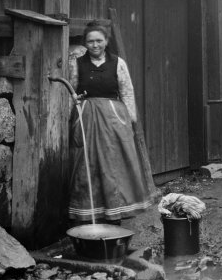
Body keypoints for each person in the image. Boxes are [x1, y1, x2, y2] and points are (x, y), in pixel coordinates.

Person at [67, 22, 158, 223]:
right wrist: (73, 115)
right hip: (87, 117)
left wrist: (130, 120)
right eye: (90, 41)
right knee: (87, 163)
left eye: (99, 40)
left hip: (114, 118)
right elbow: (71, 91)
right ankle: (90, 213)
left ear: (106, 42)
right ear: (85, 43)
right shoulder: (77, 64)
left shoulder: (118, 63)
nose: (95, 45)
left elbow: (127, 91)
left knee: (114, 164)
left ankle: (115, 212)